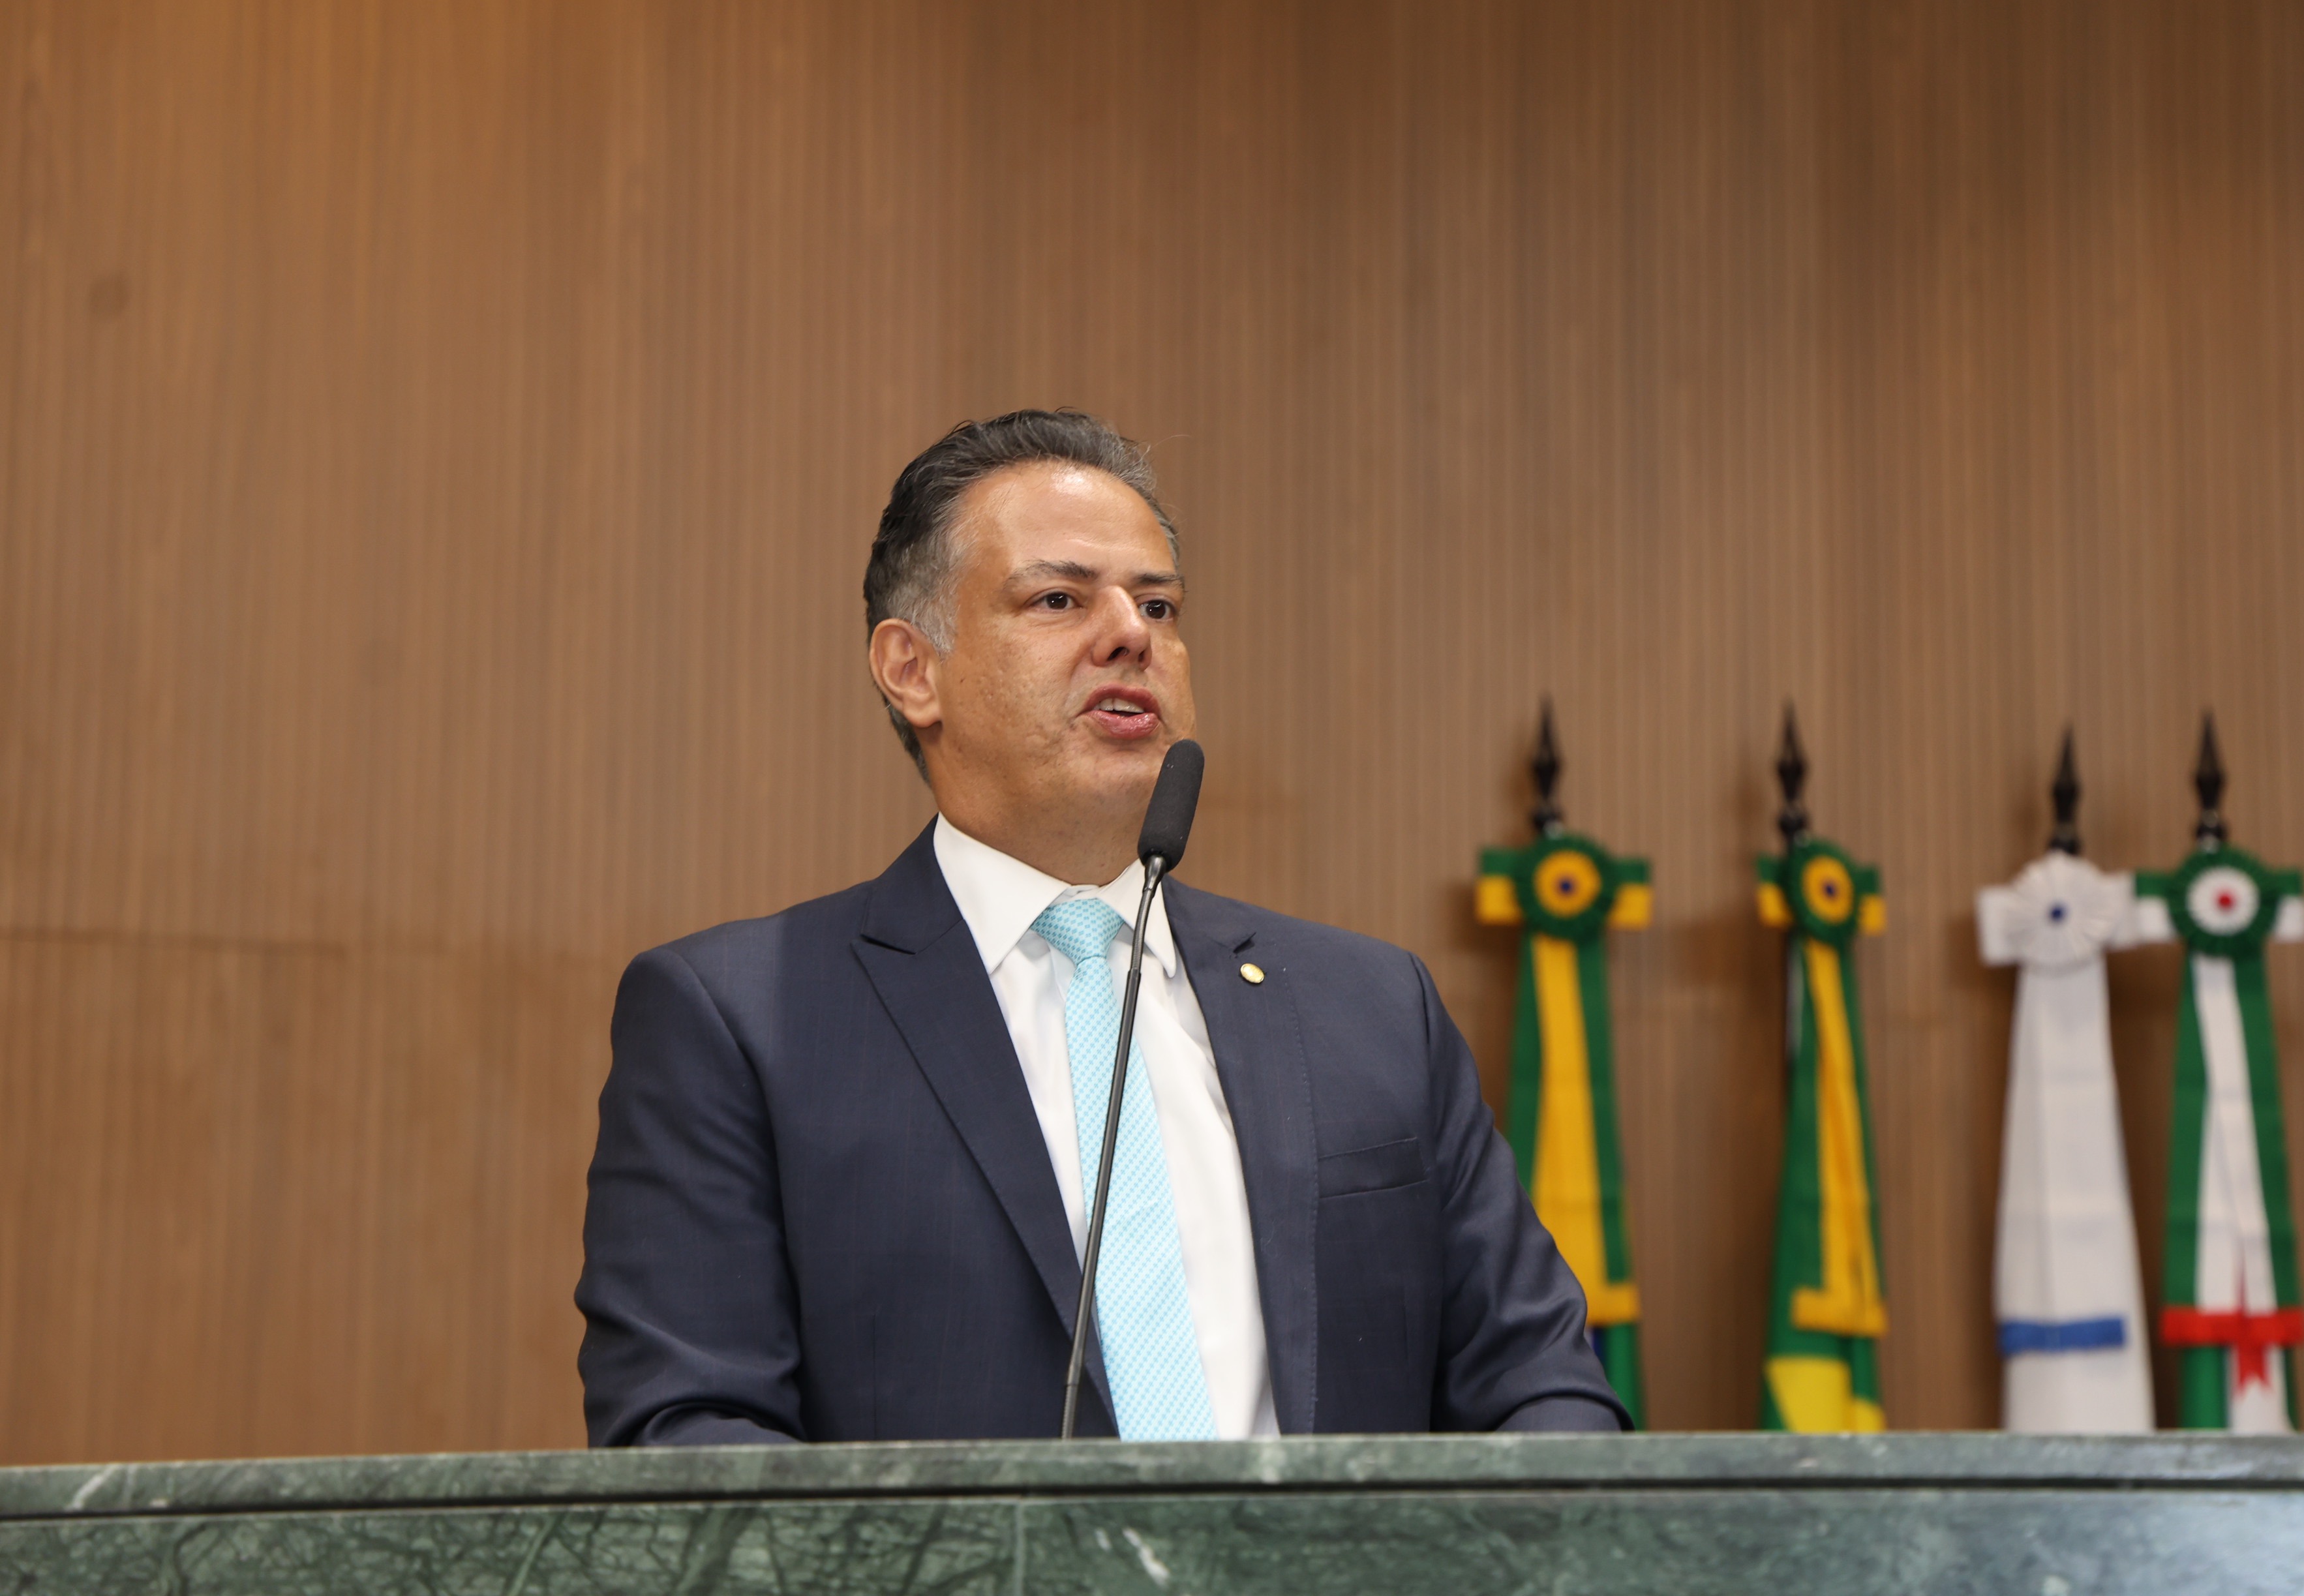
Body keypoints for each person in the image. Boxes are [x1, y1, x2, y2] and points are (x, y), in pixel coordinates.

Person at [576, 409, 1627, 1442]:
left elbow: (1541, 1385)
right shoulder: (743, 1021)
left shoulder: (1372, 1009)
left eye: (1159, 605)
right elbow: (690, 1434)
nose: (1132, 634)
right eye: (1058, 599)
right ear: (912, 670)